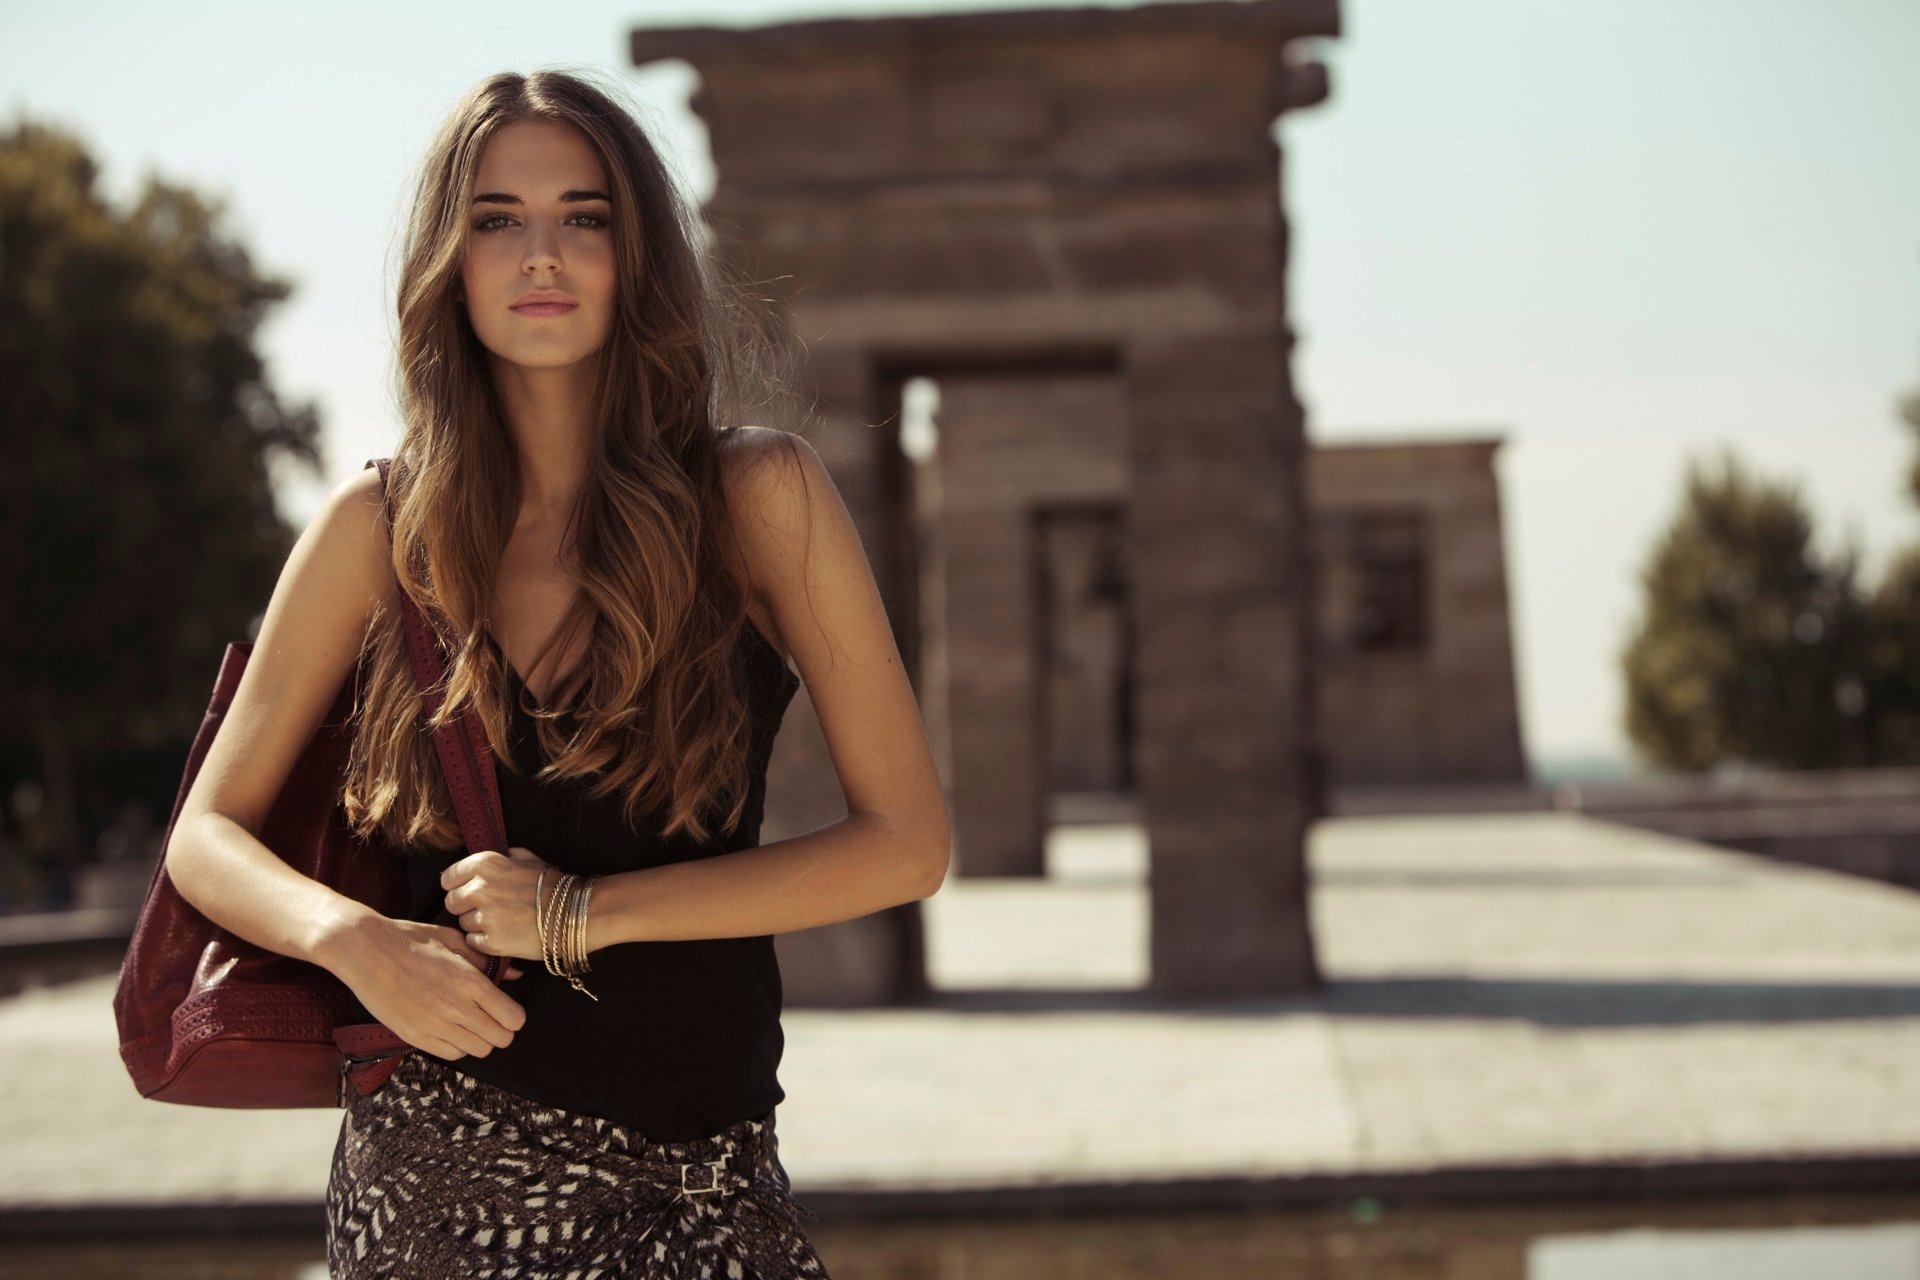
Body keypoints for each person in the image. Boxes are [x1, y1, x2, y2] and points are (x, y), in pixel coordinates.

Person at [162, 67, 952, 1278]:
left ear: (636, 255)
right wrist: (357, 939)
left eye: (584, 216)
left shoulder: (759, 497)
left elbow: (906, 842)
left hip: (708, 1184)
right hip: (439, 1173)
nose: (543, 255)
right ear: (449, 260)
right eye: (497, 220)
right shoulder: (378, 527)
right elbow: (206, 832)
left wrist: (584, 912)